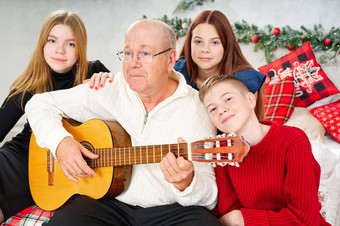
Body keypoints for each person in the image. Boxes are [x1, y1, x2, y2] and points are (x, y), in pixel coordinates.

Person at [25, 19, 220, 225]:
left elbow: (210, 196)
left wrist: (187, 183)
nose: (133, 63)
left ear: (170, 59)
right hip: (109, 203)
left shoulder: (198, 108)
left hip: (170, 212)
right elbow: (38, 104)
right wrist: (60, 143)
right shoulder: (110, 88)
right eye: (127, 53)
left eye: (144, 54)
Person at [0, 9, 109, 223]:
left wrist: (109, 86)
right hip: (19, 156)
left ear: (80, 48)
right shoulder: (28, 84)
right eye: (52, 41)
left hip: (48, 169)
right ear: (42, 43)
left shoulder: (94, 72)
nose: (59, 50)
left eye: (70, 43)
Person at [198, 74, 331, 226]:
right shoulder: (222, 153)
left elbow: (305, 220)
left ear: (250, 100)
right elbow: (228, 214)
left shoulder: (292, 140)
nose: (221, 110)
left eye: (228, 99)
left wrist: (243, 218)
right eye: (213, 109)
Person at [174, 10, 266, 121]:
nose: (205, 49)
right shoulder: (177, 73)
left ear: (226, 45)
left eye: (214, 42)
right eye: (198, 42)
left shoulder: (245, 79)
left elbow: (251, 130)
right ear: (189, 44)